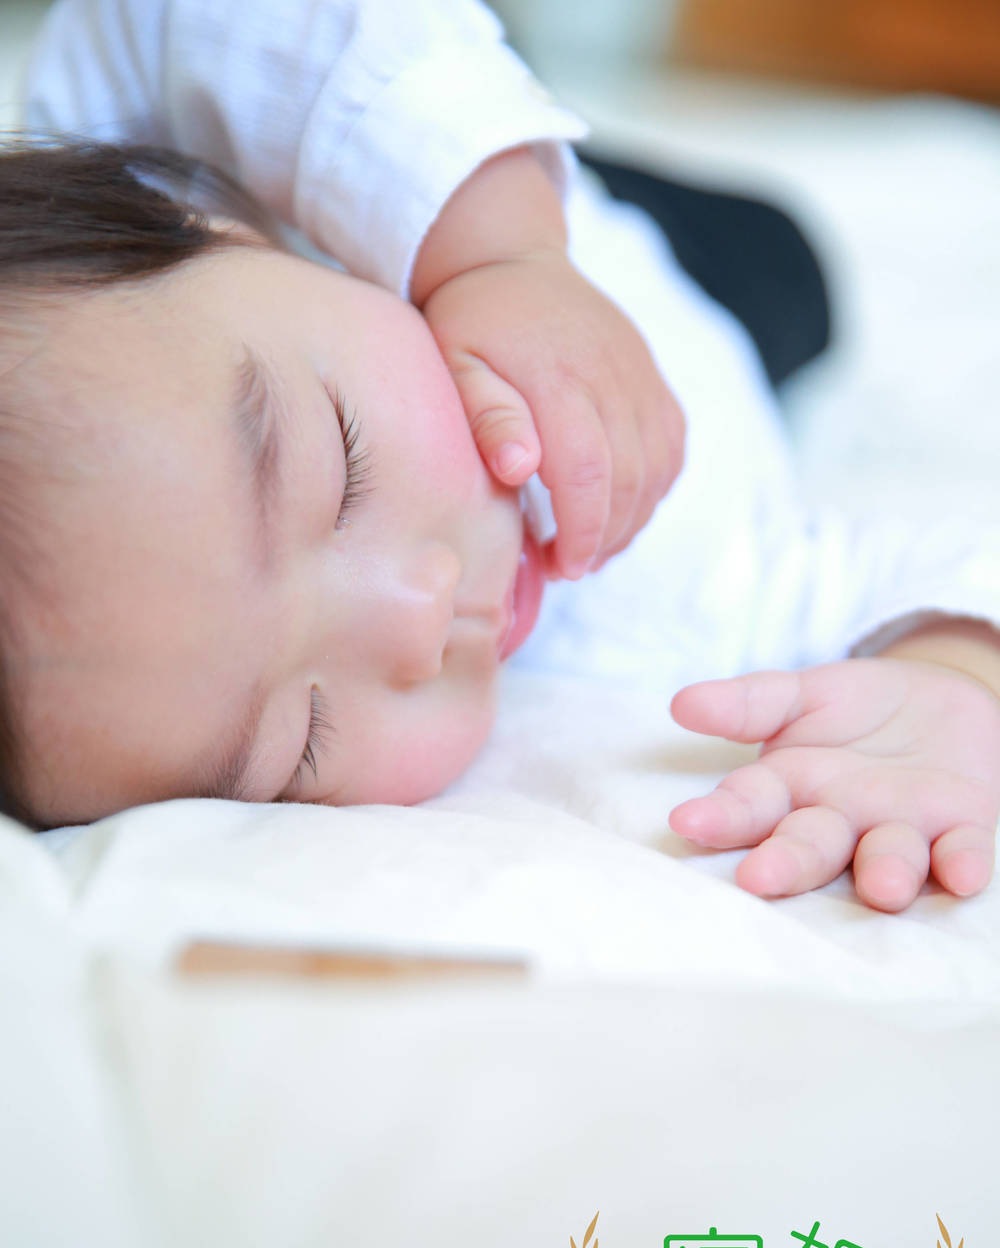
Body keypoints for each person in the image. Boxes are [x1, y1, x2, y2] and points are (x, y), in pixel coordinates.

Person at [3, 0, 999, 916]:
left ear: (202, 222)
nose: (421, 612)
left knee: (713, 204)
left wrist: (495, 245)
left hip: (579, 231)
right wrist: (952, 683)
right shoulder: (663, 616)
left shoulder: (138, 197)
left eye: (340, 471)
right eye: (303, 737)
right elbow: (896, 572)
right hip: (735, 336)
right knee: (799, 273)